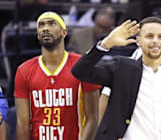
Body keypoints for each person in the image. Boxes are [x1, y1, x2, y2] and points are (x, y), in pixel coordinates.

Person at [72, 17, 161, 139]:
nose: (155, 41)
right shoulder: (122, 67)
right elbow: (80, 71)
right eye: (149, 36)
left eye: (160, 37)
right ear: (138, 41)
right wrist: (105, 44)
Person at [14, 11, 100, 140]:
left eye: (52, 24)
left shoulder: (82, 66)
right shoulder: (24, 70)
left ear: (64, 32)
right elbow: (22, 124)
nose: (46, 28)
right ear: (37, 35)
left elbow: (93, 118)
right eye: (41, 25)